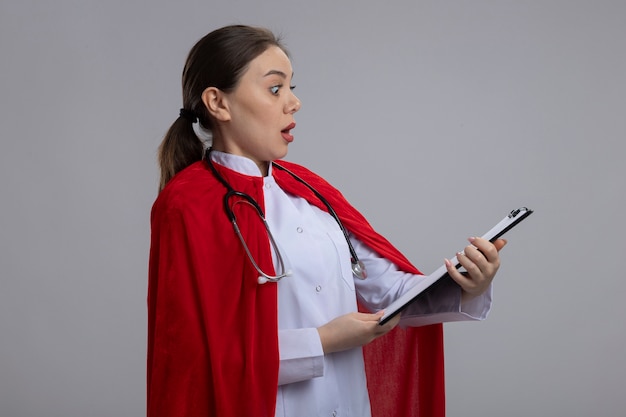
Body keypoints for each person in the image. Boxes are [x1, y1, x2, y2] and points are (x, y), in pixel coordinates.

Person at [147, 24, 506, 417]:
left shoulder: (308, 190)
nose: (293, 103)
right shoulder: (187, 205)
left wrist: (468, 284)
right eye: (274, 88)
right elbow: (197, 360)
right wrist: (320, 341)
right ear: (218, 103)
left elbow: (389, 293)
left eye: (292, 88)